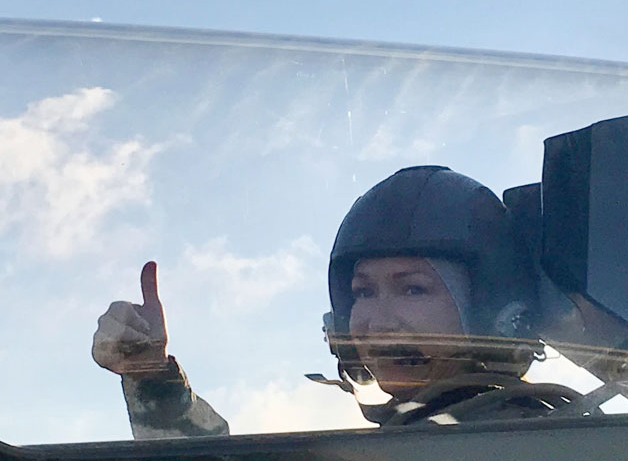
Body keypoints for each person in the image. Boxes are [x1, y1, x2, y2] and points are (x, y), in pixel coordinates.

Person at [92, 165, 581, 437]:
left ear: (494, 310)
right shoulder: (412, 447)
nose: (377, 319)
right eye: (363, 292)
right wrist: (150, 377)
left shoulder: (537, 454)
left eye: (413, 288)